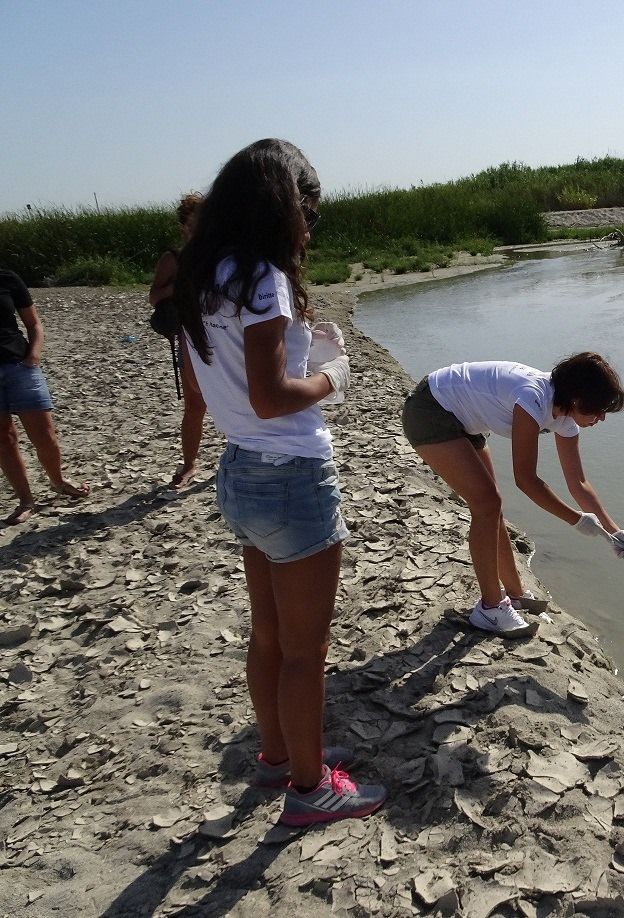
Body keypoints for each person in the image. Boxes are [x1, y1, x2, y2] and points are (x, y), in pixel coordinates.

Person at [175, 138, 384, 827]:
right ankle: (308, 786)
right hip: (290, 475)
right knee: (306, 652)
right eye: (309, 209)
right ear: (283, 204)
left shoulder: (205, 274)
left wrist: (306, 346)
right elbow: (270, 396)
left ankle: (273, 757)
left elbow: (237, 380)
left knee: (268, 636)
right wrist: (334, 376)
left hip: (239, 470)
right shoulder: (262, 275)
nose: (310, 225)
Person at [401, 354, 624, 638]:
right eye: (598, 410)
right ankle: (490, 609)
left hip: (465, 421)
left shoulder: (566, 419)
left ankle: (514, 594)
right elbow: (526, 480)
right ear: (576, 398)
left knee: (492, 509)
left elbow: (579, 483)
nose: (600, 418)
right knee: (487, 504)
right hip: (431, 410)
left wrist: (613, 532)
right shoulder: (533, 398)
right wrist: (576, 520)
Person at [0, 268, 89, 526]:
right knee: (4, 440)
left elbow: (33, 323)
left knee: (45, 435)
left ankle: (58, 481)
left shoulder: (7, 278)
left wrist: (34, 356)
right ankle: (25, 500)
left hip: (19, 365)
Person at [147, 193, 207, 491]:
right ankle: (189, 464)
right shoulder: (173, 258)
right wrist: (180, 283)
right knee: (195, 405)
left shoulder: (221, 255)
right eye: (196, 222)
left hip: (225, 334)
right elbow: (154, 297)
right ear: (184, 225)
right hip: (189, 336)